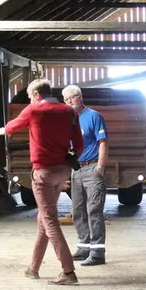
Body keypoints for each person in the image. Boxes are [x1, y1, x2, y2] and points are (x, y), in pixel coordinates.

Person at [0, 78, 83, 285]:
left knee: (50, 220)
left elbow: (13, 125)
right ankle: (33, 268)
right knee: (43, 218)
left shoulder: (34, 110)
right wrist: (70, 159)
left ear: (36, 95)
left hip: (43, 173)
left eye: (30, 97)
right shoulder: (69, 111)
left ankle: (68, 271)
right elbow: (79, 143)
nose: (30, 100)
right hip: (62, 171)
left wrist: (2, 130)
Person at [61, 84, 109, 266]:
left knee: (94, 209)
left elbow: (103, 142)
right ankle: (83, 247)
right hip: (76, 169)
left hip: (92, 167)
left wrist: (100, 166)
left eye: (72, 97)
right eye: (66, 99)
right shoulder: (68, 120)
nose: (69, 101)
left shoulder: (94, 116)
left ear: (80, 97)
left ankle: (97, 253)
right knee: (77, 210)